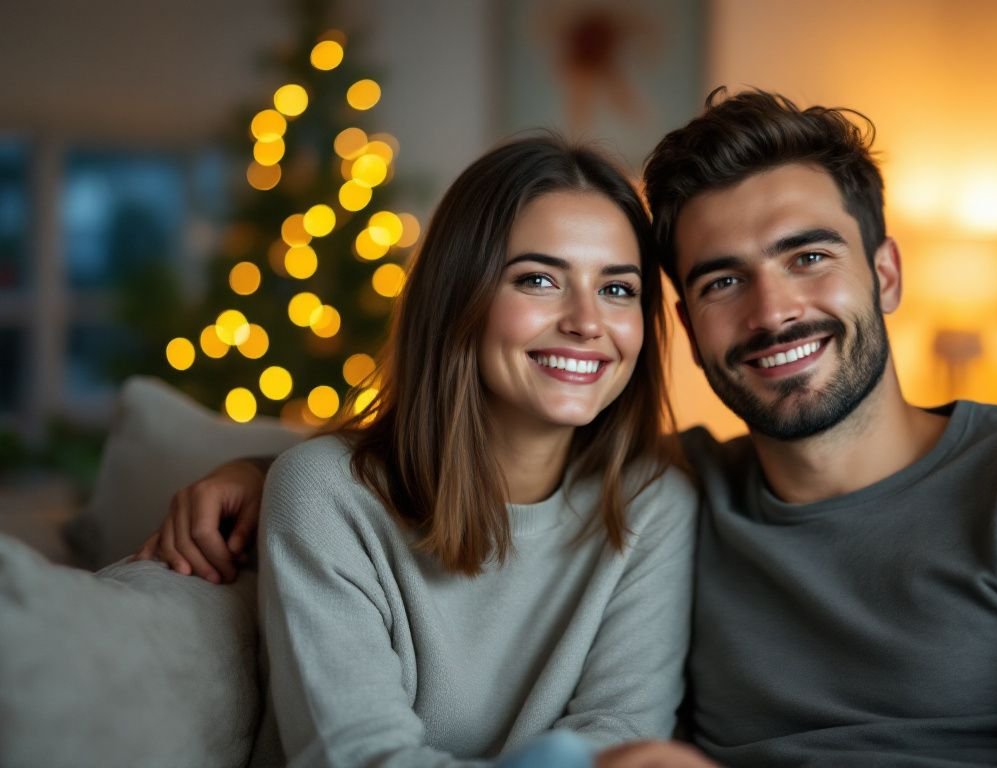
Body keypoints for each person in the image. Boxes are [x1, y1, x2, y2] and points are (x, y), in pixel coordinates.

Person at [140, 91, 997, 767]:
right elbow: (462, 460)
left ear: (884, 273)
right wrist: (258, 465)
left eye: (809, 257)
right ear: (687, 330)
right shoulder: (677, 491)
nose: (771, 311)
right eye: (719, 281)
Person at [138, 135, 716, 768]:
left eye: (617, 289)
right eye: (539, 279)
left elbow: (622, 736)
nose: (586, 320)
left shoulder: (655, 504)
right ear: (457, 297)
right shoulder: (324, 494)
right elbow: (359, 758)